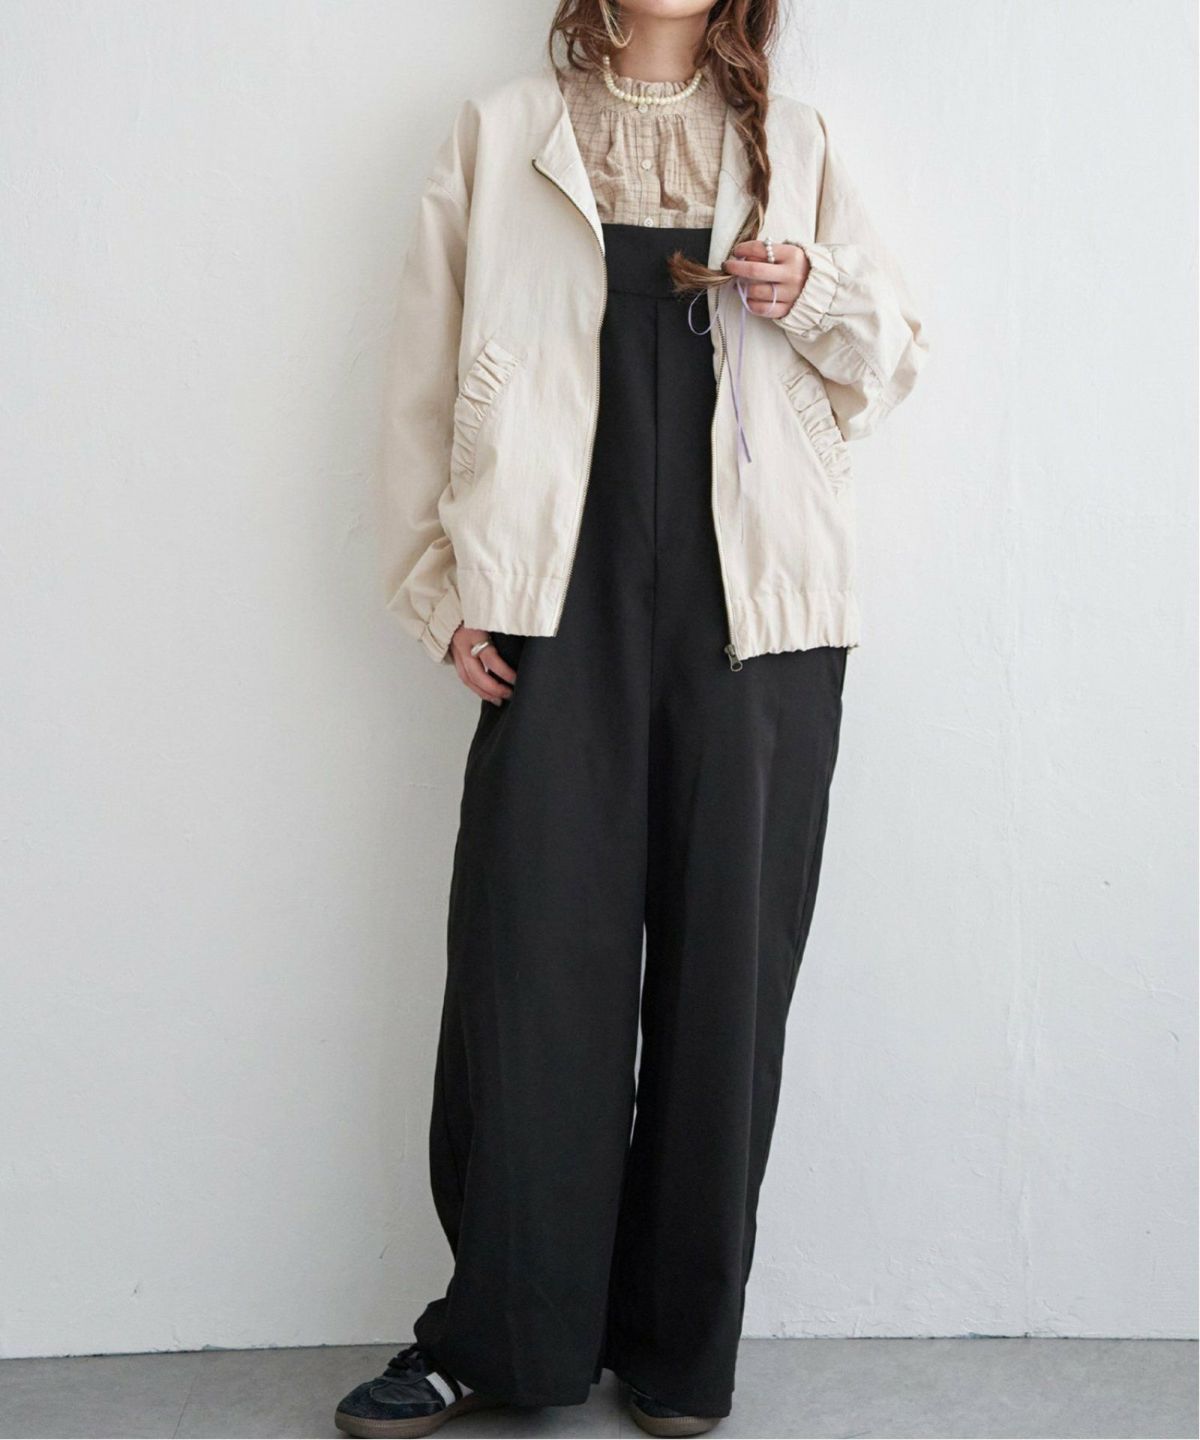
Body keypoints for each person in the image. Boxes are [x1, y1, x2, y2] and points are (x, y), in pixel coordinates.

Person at [336, 1, 927, 1435]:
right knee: (534, 967)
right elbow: (421, 380)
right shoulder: (502, 136)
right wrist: (437, 590)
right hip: (554, 592)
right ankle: (501, 1342)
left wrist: (815, 292)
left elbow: (893, 361)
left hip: (758, 611)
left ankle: (678, 1351)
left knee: (727, 984)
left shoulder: (794, 145)